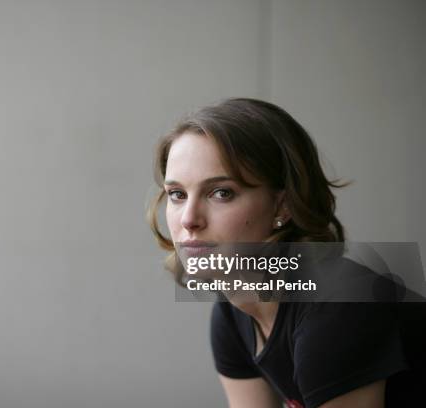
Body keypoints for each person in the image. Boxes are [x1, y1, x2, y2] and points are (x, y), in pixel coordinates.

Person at [147, 98, 426, 407]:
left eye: (221, 193)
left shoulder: (338, 306)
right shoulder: (232, 312)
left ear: (283, 205)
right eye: (177, 194)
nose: (188, 219)